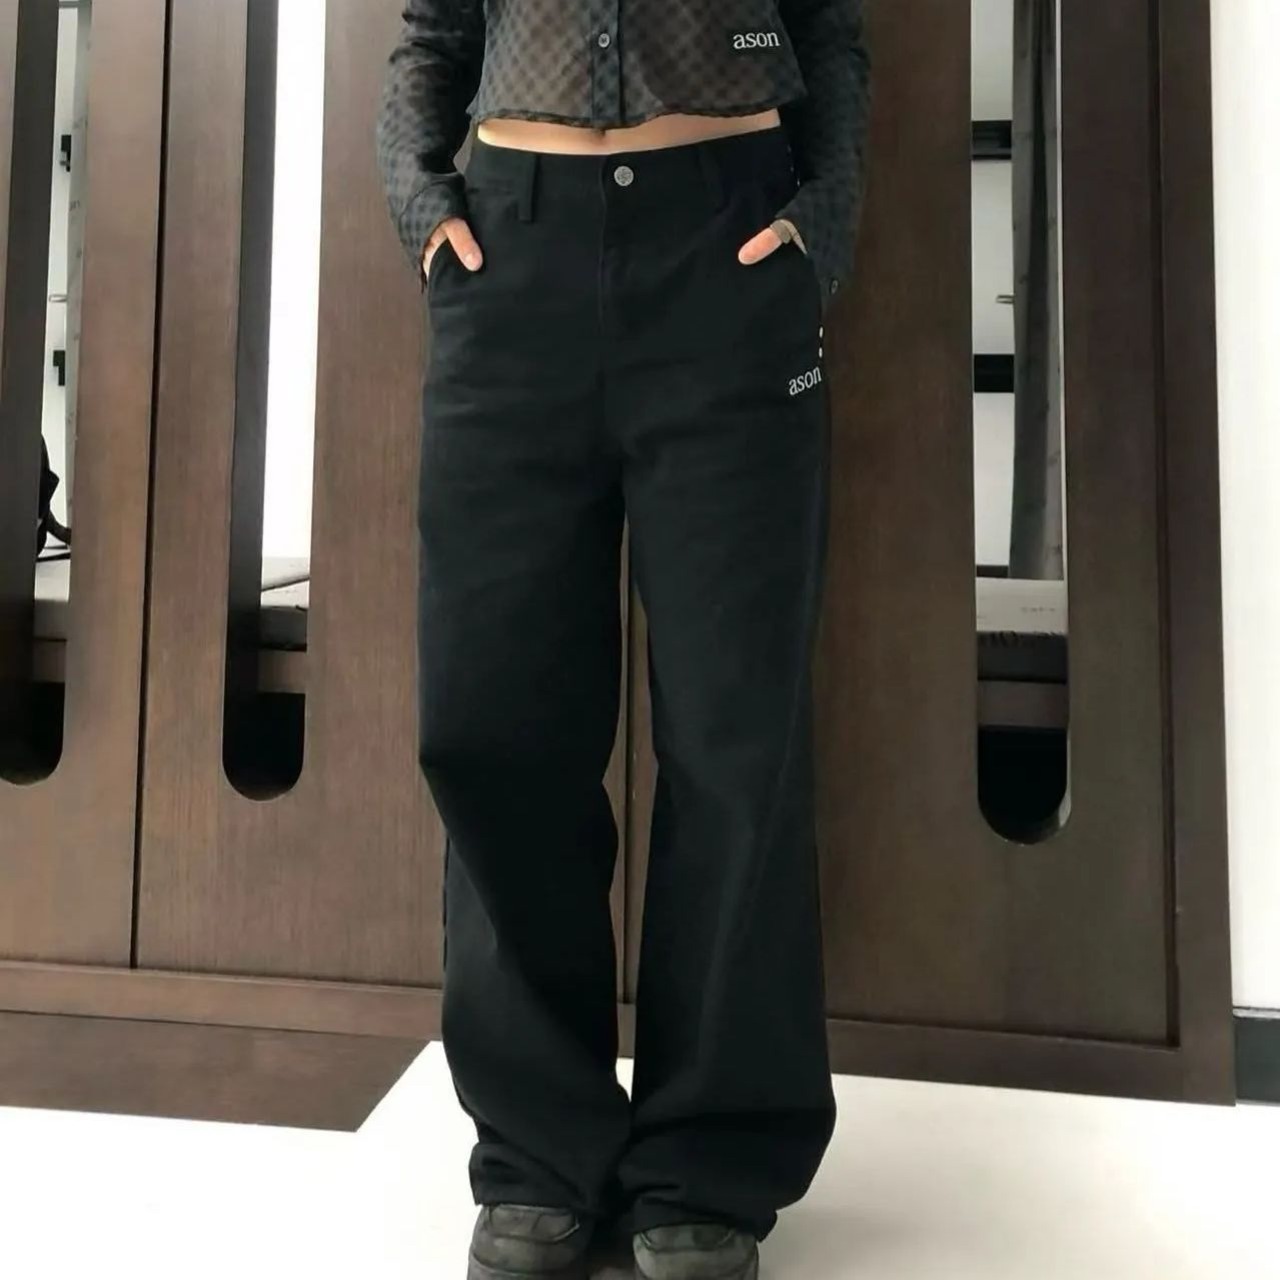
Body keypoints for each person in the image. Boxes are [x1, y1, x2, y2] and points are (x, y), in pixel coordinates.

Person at [376, 4, 871, 1277]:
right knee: (494, 719)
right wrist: (422, 205)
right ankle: (535, 1151)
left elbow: (827, 31)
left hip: (729, 243)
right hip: (509, 249)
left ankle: (709, 1160)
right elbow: (430, 34)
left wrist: (819, 226)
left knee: (735, 732)